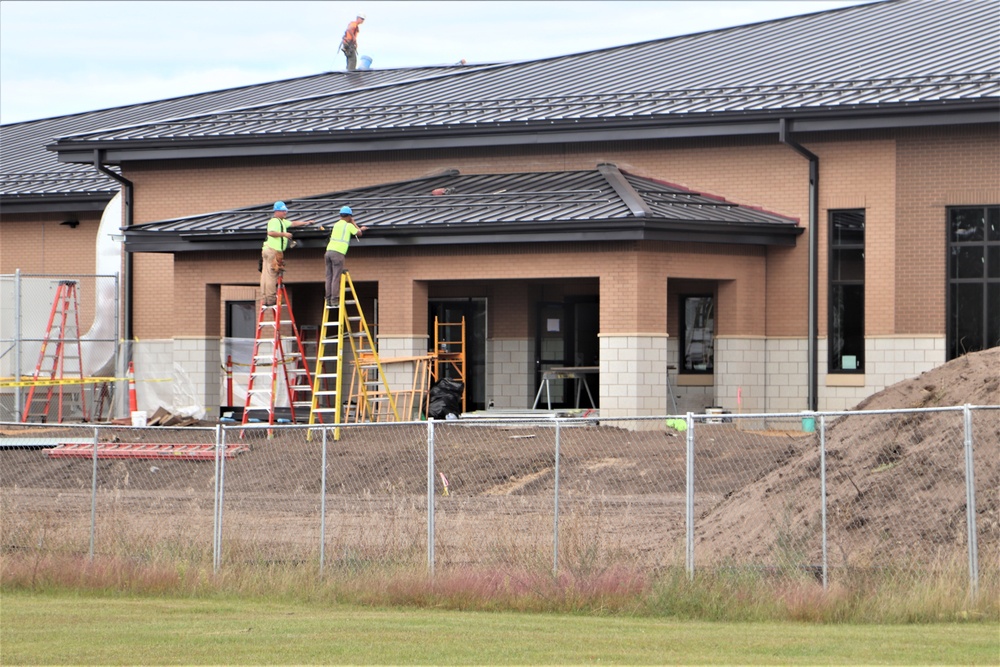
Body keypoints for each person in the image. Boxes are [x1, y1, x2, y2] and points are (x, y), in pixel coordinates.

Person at [260, 201, 315, 307]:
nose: (285, 213)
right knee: (272, 274)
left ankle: (265, 298)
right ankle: (271, 299)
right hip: (273, 251)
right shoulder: (274, 221)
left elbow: (293, 223)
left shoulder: (281, 222)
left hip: (268, 250)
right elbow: (270, 232)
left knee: (265, 275)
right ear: (277, 211)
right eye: (283, 211)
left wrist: (306, 222)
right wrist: (284, 234)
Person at [325, 205, 368, 308]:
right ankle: (334, 300)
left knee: (329, 277)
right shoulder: (348, 225)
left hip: (328, 252)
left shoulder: (336, 225)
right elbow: (359, 233)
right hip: (338, 253)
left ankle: (328, 299)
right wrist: (354, 223)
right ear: (349, 216)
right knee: (336, 277)